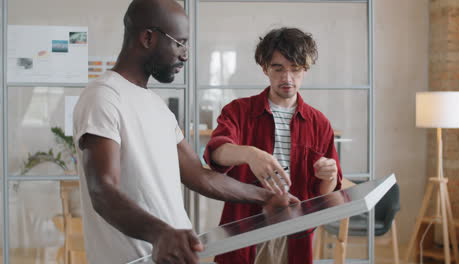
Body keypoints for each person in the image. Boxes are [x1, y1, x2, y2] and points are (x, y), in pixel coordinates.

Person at [72, 1, 298, 263]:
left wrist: (267, 197)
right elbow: (102, 190)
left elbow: (200, 176)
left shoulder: (156, 106)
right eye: (179, 43)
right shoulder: (103, 97)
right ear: (147, 37)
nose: (185, 54)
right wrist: (159, 234)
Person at [203, 27, 343, 264]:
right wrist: (250, 154)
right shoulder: (239, 111)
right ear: (265, 68)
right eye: (278, 68)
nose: (287, 78)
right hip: (245, 226)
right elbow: (216, 152)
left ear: (305, 70)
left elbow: (325, 194)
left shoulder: (320, 123)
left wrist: (328, 175)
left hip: (295, 231)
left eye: (295, 69)